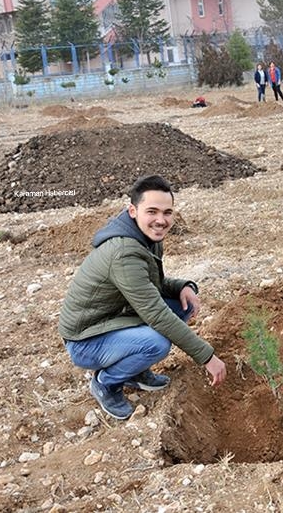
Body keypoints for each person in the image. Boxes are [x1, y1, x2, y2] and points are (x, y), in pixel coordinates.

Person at [58, 175, 227, 420]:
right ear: (133, 211)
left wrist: (183, 287)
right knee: (157, 342)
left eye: (167, 212)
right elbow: (155, 313)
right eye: (152, 211)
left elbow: (149, 286)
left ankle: (134, 371)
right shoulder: (124, 252)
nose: (161, 220)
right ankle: (106, 383)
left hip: (114, 318)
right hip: (85, 340)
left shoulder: (146, 238)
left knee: (182, 306)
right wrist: (207, 357)